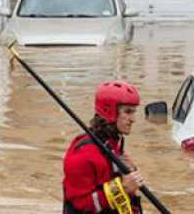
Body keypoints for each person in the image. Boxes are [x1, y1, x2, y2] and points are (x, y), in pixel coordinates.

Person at [62, 81, 145, 214]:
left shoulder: (111, 144)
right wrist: (122, 188)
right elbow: (82, 205)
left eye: (134, 112)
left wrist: (130, 173)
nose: (133, 119)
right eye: (128, 112)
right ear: (109, 111)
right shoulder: (82, 156)